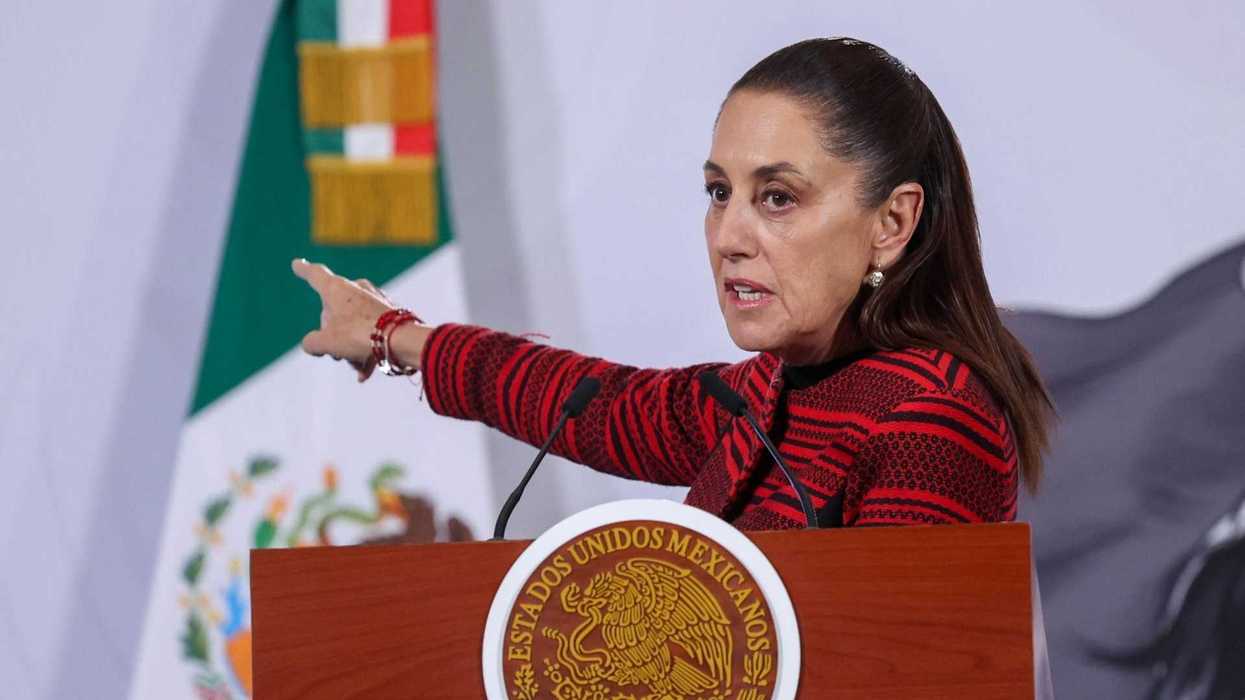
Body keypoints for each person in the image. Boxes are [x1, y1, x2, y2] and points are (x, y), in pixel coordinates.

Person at [292, 37, 1054, 530]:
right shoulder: (767, 393)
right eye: (719, 192)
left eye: (777, 197)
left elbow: (887, 668)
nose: (728, 236)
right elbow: (590, 403)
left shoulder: (927, 414)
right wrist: (394, 333)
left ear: (891, 222)